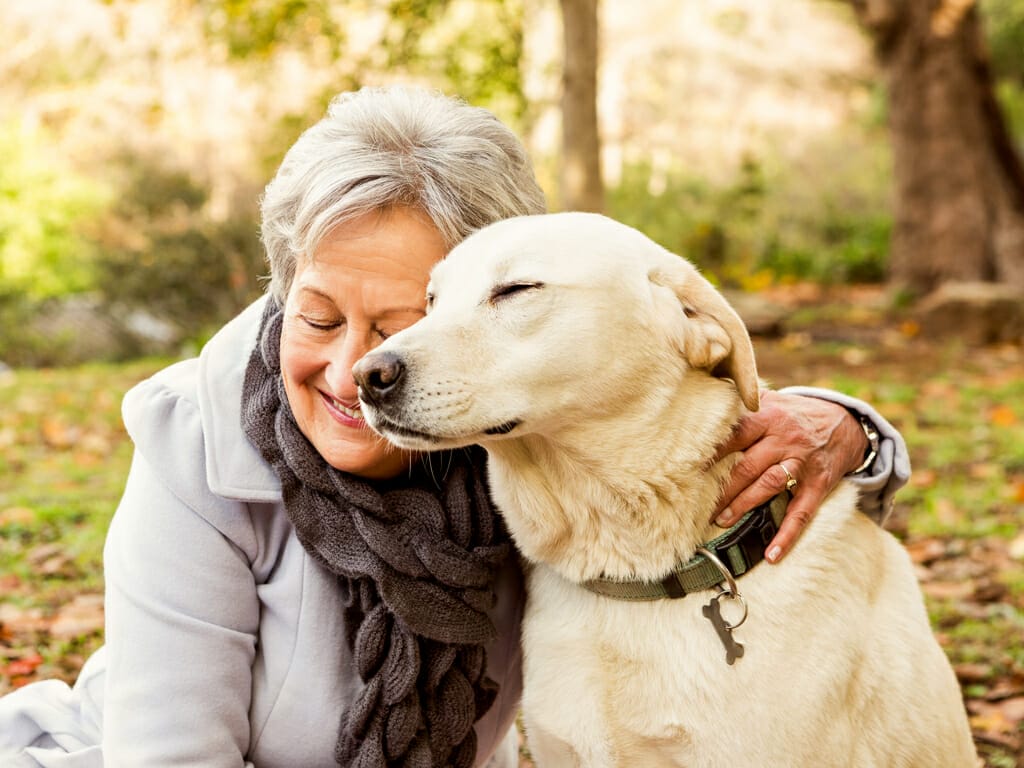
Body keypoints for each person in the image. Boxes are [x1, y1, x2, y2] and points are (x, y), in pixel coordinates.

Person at [0, 86, 909, 768]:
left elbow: (669, 403)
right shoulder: (196, 446)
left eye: (401, 326)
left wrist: (849, 426)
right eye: (316, 317)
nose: (361, 366)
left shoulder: (516, 423)